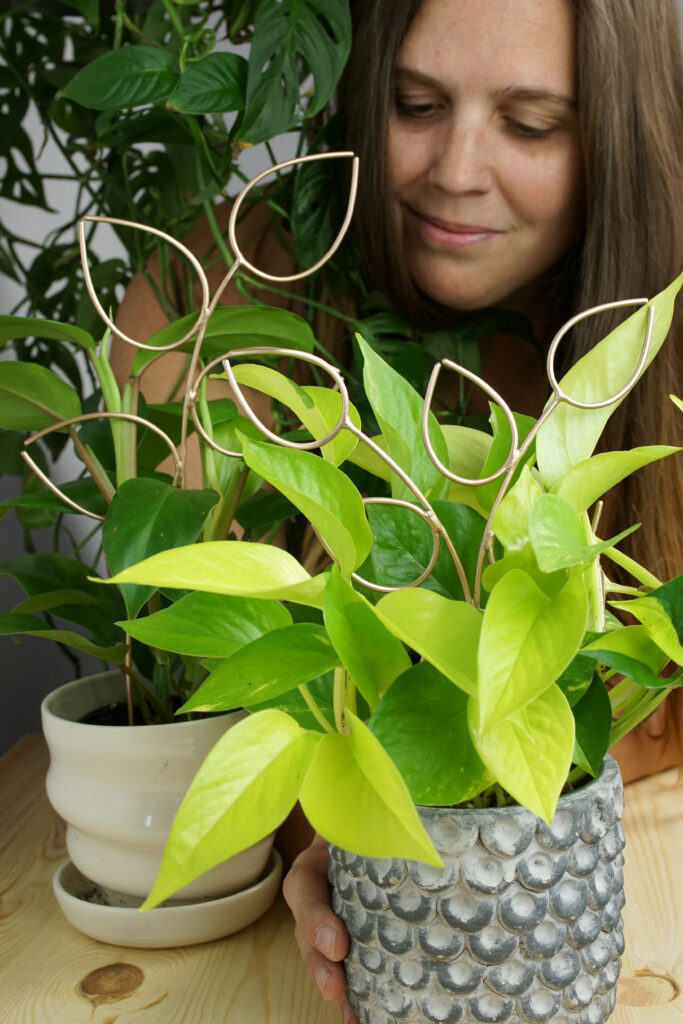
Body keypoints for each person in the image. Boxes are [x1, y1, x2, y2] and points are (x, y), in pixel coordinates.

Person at [113, 1, 683, 1021]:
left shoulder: (656, 350)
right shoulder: (219, 306)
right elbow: (253, 712)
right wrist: (317, 848)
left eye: (530, 124)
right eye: (412, 102)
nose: (454, 169)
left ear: (622, 136)